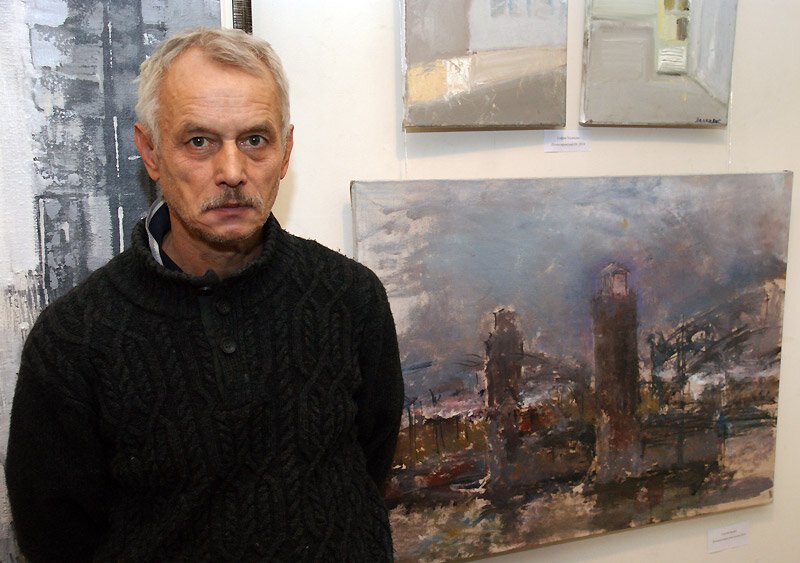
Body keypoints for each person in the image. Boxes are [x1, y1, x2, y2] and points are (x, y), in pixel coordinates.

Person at [5, 27, 404, 561]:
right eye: (199, 141)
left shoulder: (351, 298)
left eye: (255, 140)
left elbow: (370, 461)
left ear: (286, 151)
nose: (232, 172)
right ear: (150, 151)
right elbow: (56, 537)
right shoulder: (74, 339)